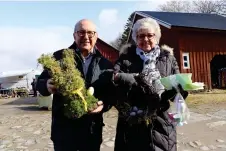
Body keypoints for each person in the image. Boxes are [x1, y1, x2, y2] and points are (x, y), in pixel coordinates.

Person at [36, 19, 114, 151]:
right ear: (74, 35)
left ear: (96, 36)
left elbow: (110, 93)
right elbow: (40, 83)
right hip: (64, 131)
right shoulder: (59, 57)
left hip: (91, 131)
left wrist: (103, 105)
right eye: (81, 32)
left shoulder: (105, 64)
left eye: (90, 33)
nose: (86, 37)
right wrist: (46, 85)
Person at [112, 17, 188, 151]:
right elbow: (115, 83)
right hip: (133, 122)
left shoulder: (168, 58)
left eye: (150, 35)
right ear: (135, 38)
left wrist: (180, 90)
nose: (145, 39)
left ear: (157, 37)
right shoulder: (125, 59)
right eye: (141, 36)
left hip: (161, 123)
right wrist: (137, 79)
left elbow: (177, 86)